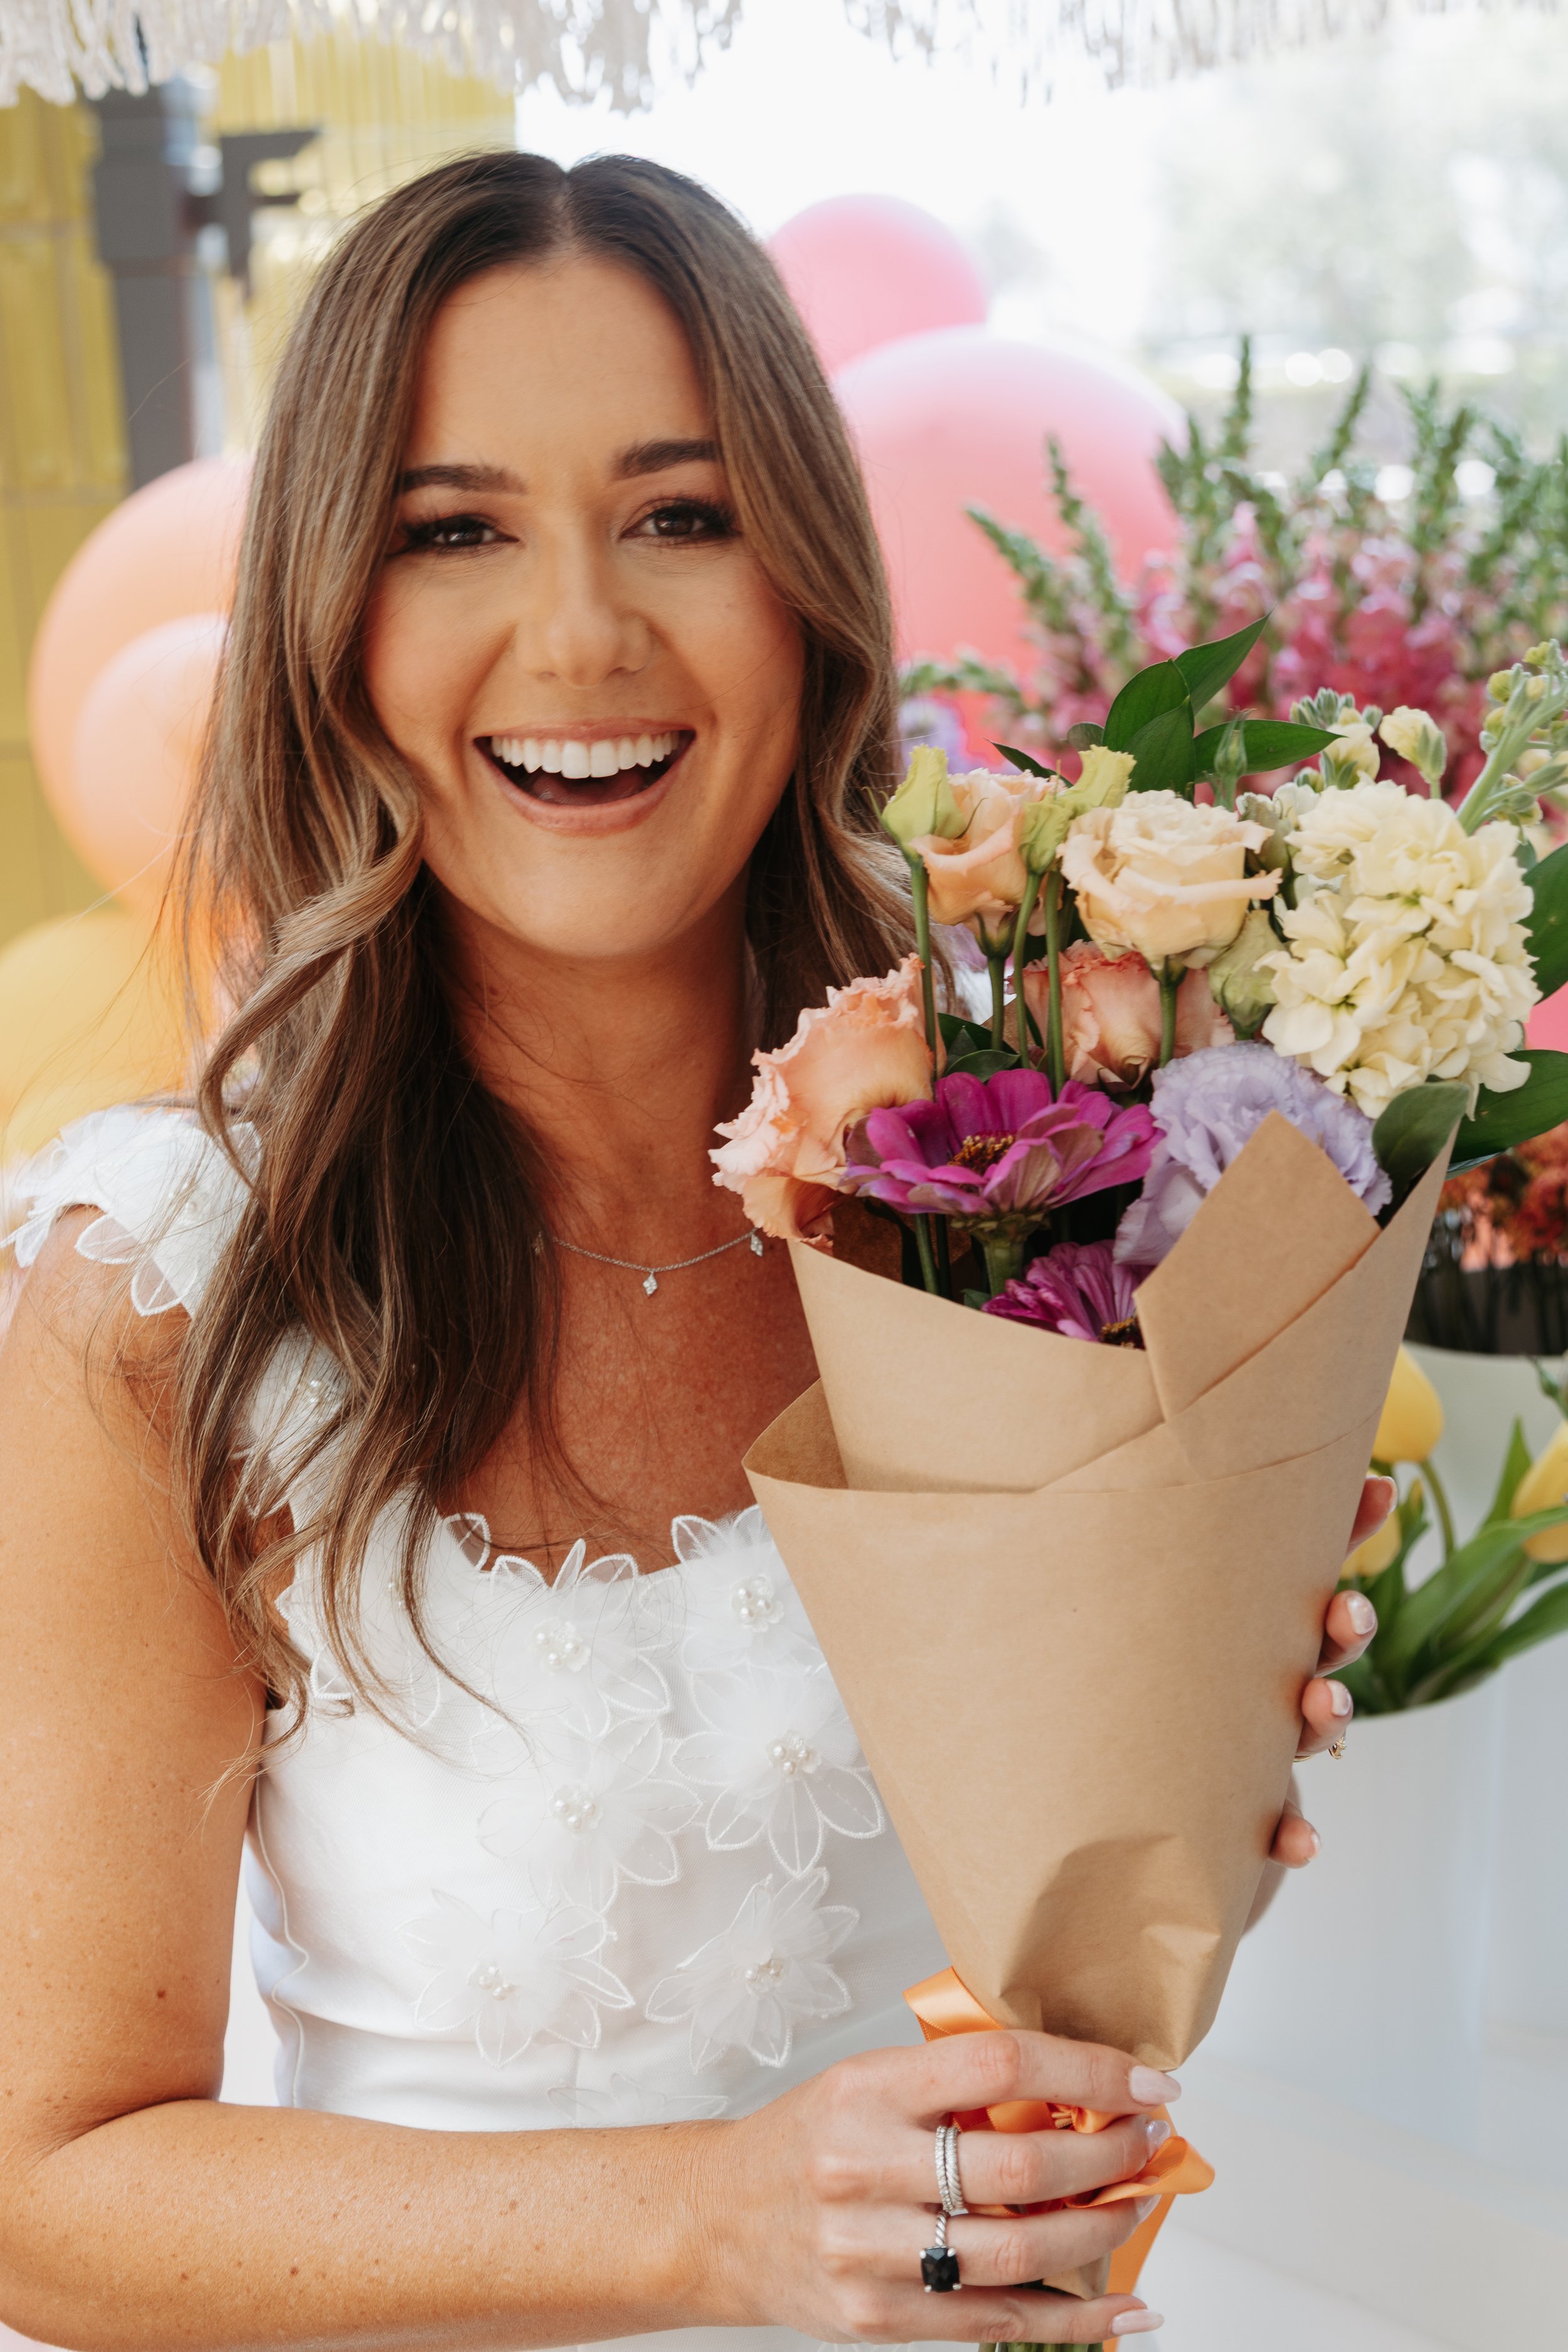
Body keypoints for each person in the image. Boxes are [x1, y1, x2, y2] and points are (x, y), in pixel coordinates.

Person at [0, 152, 1386, 2352]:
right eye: (453, 529)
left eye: (680, 512)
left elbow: (1058, 1996)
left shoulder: (1049, 1186)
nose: (581, 634)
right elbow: (52, 2198)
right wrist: (710, 2225)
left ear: (807, 586)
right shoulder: (165, 1292)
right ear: (330, 621)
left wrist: (1202, 1730)